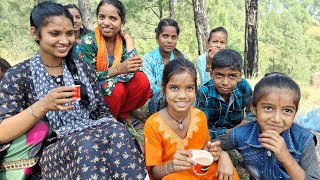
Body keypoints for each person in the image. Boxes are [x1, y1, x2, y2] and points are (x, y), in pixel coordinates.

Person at [0, 2, 148, 179]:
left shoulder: (82, 69)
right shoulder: (19, 75)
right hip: (46, 150)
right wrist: (43, 106)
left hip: (88, 137)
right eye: (55, 33)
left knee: (118, 132)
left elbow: (102, 113)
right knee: (86, 144)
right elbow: (2, 133)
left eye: (69, 33)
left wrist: (110, 129)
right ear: (35, 33)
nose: (64, 41)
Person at [144, 57, 240, 179]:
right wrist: (172, 166)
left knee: (229, 172)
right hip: (175, 175)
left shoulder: (199, 116)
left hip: (200, 171)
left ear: (195, 90)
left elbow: (208, 148)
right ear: (164, 89)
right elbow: (155, 173)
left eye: (189, 88)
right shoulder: (153, 125)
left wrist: (220, 155)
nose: (182, 96)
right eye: (174, 88)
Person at [217, 72, 320, 179]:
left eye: (287, 110)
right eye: (268, 108)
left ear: (295, 113)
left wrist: (286, 158)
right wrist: (223, 156)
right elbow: (212, 144)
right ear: (253, 108)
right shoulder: (241, 134)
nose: (276, 119)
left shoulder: (304, 140)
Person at [78, 0, 151, 128]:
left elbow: (135, 67)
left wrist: (128, 39)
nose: (106, 23)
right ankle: (107, 121)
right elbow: (87, 78)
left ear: (122, 22)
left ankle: (123, 115)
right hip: (94, 94)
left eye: (113, 18)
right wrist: (118, 70)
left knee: (141, 80)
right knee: (115, 88)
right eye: (102, 17)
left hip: (116, 87)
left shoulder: (121, 41)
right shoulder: (88, 42)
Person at [196, 49, 255, 139]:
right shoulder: (204, 92)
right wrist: (230, 131)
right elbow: (201, 128)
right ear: (211, 74)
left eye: (232, 76)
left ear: (239, 76)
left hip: (239, 134)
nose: (225, 82)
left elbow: (253, 111)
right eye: (219, 75)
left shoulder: (243, 86)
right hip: (213, 137)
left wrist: (246, 122)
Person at [142, 18, 185, 114]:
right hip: (159, 100)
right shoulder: (148, 59)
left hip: (182, 97)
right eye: (165, 36)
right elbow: (151, 87)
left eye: (173, 37)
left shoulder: (181, 58)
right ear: (157, 37)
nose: (169, 41)